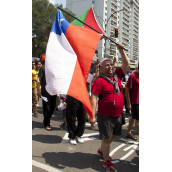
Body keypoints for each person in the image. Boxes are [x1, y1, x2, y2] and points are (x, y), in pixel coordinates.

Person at [89, 43, 129, 172]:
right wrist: (92, 115)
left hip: (118, 113)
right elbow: (94, 97)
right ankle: (107, 162)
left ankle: (102, 150)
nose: (110, 66)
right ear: (101, 68)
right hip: (105, 114)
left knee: (115, 134)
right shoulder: (100, 80)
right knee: (106, 138)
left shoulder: (117, 76)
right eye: (107, 65)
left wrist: (121, 50)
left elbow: (126, 64)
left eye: (111, 64)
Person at [37, 60, 57, 131]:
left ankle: (46, 119)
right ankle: (47, 123)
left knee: (53, 106)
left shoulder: (54, 68)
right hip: (45, 90)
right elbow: (38, 79)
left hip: (53, 90)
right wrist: (38, 90)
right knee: (47, 107)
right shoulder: (43, 68)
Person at [125, 62, 139, 140]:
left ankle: (128, 133)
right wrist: (128, 102)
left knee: (133, 117)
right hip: (135, 101)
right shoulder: (132, 76)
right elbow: (127, 89)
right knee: (138, 119)